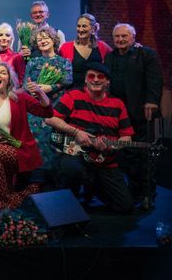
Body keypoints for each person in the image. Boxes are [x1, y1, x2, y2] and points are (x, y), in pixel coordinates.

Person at [46, 63, 134, 214]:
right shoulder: (73, 95)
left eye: (101, 76)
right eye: (91, 76)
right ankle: (70, 200)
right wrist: (75, 132)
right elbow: (50, 118)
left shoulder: (118, 104)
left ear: (108, 81)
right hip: (76, 156)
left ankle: (93, 186)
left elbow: (127, 138)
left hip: (104, 161)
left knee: (125, 207)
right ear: (86, 80)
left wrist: (113, 146)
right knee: (70, 169)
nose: (96, 79)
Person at [0, 62, 53, 210]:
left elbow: (46, 112)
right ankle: (11, 200)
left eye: (3, 73)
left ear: (9, 79)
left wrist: (40, 93)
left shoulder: (19, 97)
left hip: (19, 149)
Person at [105, 23, 163, 211]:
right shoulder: (110, 57)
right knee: (127, 156)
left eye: (124, 36)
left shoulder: (146, 54)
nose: (120, 39)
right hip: (119, 115)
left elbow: (155, 79)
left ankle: (148, 195)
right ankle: (134, 191)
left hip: (142, 113)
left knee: (145, 156)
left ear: (133, 37)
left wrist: (152, 101)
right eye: (117, 36)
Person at [23, 26, 72, 182]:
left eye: (46, 38)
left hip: (55, 109)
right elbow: (25, 84)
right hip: (35, 111)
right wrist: (33, 90)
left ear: (54, 40)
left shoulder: (63, 62)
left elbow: (68, 80)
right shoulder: (33, 62)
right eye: (39, 39)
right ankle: (36, 181)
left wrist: (49, 88)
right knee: (35, 144)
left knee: (54, 143)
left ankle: (54, 182)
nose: (42, 41)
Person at [58, 13, 112, 88]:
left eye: (84, 26)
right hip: (72, 91)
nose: (80, 29)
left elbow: (114, 58)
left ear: (93, 29)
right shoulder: (65, 47)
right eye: (78, 26)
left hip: (96, 91)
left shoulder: (102, 46)